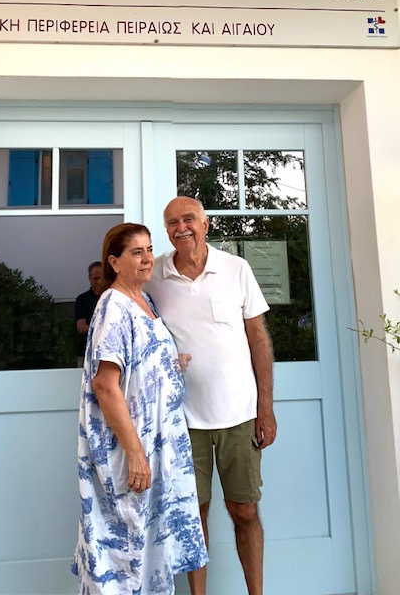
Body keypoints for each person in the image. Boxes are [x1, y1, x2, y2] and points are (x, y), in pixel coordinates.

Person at [146, 197, 277, 595]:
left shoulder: (236, 268)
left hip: (240, 414)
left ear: (206, 224)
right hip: (183, 420)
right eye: (172, 222)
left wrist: (265, 408)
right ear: (166, 231)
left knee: (245, 510)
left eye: (189, 219)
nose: (181, 227)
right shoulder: (155, 276)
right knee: (194, 513)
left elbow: (258, 339)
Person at [71, 222, 209, 595]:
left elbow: (139, 363)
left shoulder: (144, 300)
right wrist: (135, 454)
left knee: (151, 549)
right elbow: (105, 385)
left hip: (160, 446)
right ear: (114, 262)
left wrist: (170, 363)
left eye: (149, 249)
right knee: (126, 554)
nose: (148, 258)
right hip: (132, 448)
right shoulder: (114, 306)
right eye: (137, 252)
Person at [74, 261, 102, 367]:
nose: (99, 282)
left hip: (108, 353)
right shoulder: (82, 299)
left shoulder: (112, 298)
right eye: (95, 279)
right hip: (86, 353)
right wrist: (102, 329)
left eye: (101, 278)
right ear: (89, 278)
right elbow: (81, 327)